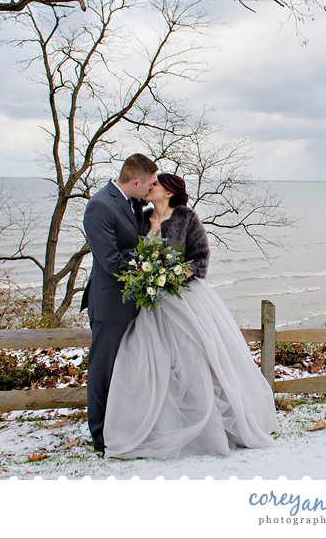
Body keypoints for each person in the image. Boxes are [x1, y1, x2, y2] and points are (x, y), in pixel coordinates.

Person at [103, 173, 278, 459]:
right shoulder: (142, 216)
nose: (150, 187)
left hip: (184, 298)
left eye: (155, 184)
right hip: (152, 304)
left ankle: (208, 427)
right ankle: (158, 428)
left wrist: (175, 274)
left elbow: (201, 257)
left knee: (193, 357)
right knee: (151, 360)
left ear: (169, 192)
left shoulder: (187, 218)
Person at [81, 154, 158, 455]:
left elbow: (135, 238)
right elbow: (111, 261)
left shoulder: (133, 202)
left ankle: (124, 425)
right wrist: (151, 267)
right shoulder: (99, 207)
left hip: (132, 302)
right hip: (110, 303)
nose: (151, 189)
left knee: (127, 369)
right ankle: (100, 435)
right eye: (150, 184)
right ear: (136, 181)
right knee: (103, 369)